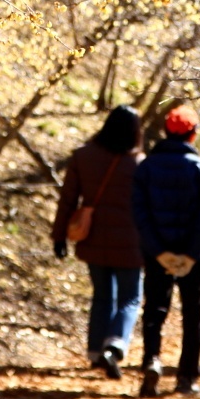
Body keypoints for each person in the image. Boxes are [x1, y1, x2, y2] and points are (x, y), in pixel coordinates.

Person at [131, 104, 200, 397]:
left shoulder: (146, 167)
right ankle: (187, 378)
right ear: (192, 135)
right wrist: (192, 256)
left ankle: (151, 361)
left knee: (155, 310)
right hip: (194, 259)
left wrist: (158, 252)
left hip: (157, 254)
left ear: (166, 132)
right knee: (193, 316)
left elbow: (139, 213)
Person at [51, 105, 145, 380]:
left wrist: (59, 236)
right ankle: (114, 345)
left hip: (92, 238)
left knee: (102, 296)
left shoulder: (83, 156)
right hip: (129, 241)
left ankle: (94, 352)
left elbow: (68, 199)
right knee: (130, 297)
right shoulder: (138, 163)